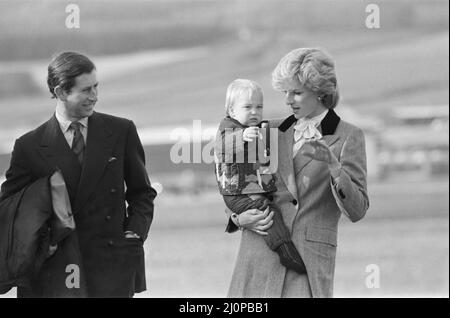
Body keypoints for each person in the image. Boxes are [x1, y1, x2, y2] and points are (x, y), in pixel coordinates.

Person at [0, 51, 157, 298]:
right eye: (86, 90)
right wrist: (41, 246)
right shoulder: (28, 146)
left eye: (96, 87)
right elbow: (9, 212)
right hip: (52, 271)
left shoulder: (121, 131)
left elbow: (142, 193)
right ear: (61, 92)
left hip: (110, 264)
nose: (95, 96)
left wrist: (134, 233)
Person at [225, 48, 369, 297]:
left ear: (320, 92)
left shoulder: (349, 136)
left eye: (297, 92)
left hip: (307, 262)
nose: (288, 100)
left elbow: (357, 209)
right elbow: (233, 178)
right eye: (285, 92)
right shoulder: (266, 131)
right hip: (257, 254)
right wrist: (238, 219)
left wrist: (334, 167)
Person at [214, 79, 306, 274]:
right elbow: (221, 147)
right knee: (266, 210)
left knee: (266, 207)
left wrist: (301, 120)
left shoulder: (262, 128)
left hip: (249, 189)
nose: (255, 112)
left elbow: (283, 125)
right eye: (248, 107)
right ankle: (284, 249)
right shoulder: (228, 127)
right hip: (237, 193)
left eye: (259, 107)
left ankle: (284, 248)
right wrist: (242, 137)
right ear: (231, 110)